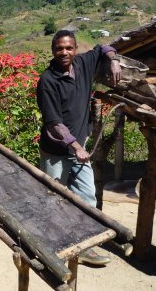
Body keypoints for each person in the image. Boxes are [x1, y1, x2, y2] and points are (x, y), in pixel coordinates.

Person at [36, 29, 121, 266]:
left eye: (69, 48)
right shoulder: (48, 80)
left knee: (87, 197)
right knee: (54, 199)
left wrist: (114, 60)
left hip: (79, 148)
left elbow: (103, 46)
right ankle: (52, 247)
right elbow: (53, 124)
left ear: (75, 49)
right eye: (59, 48)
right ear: (53, 50)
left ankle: (84, 247)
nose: (64, 52)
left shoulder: (83, 63)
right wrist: (74, 146)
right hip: (56, 153)